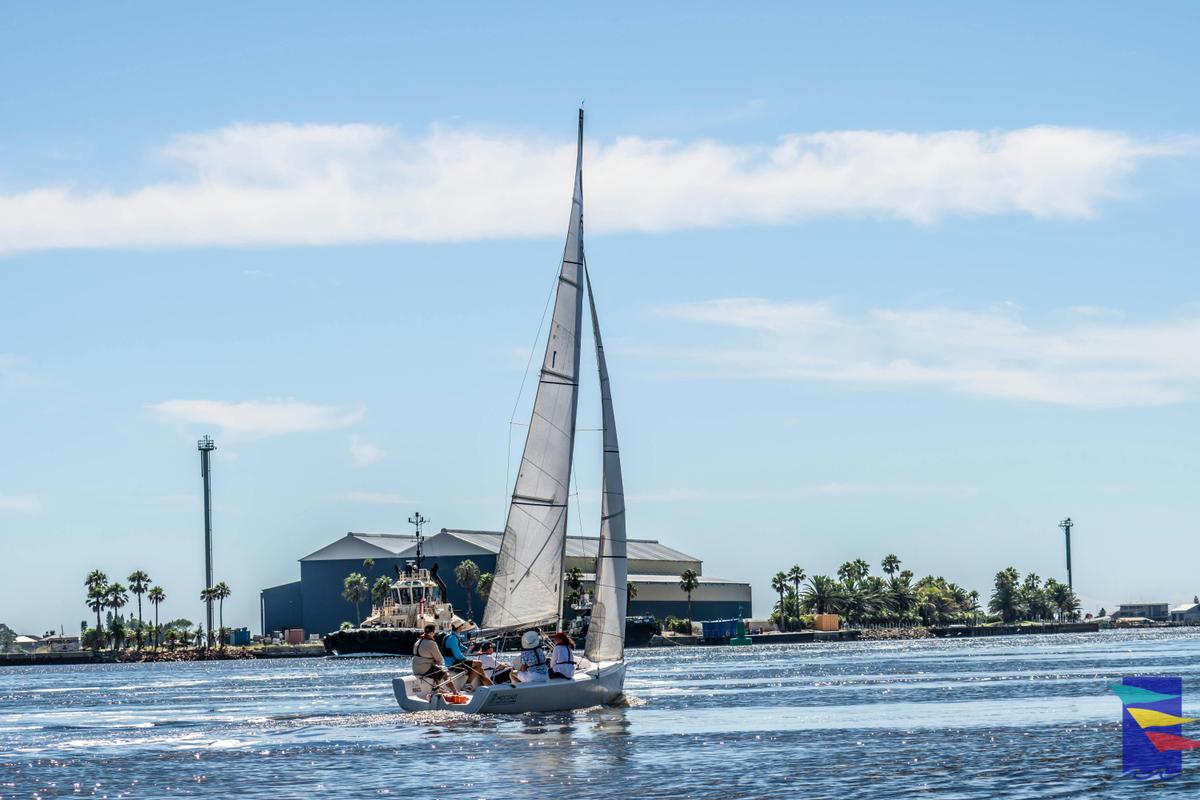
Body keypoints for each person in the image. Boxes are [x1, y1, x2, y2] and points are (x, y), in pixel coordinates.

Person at [412, 624, 448, 690]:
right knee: (445, 674)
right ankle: (455, 692)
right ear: (432, 632)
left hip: (415, 669)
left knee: (435, 670)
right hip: (424, 669)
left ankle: (438, 689)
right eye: (434, 632)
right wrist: (437, 662)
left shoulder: (417, 641)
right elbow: (439, 659)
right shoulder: (431, 643)